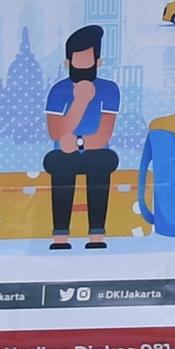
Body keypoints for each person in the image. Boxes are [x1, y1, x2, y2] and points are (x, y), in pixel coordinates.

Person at [42, 23, 121, 248]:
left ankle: (96, 235)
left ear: (98, 62)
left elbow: (104, 133)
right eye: (79, 60)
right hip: (63, 153)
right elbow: (56, 131)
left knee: (100, 161)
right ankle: (60, 236)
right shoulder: (58, 90)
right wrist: (79, 101)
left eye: (89, 60)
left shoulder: (109, 89)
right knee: (60, 164)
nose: (84, 66)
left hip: (96, 151)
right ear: (68, 63)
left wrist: (78, 141)